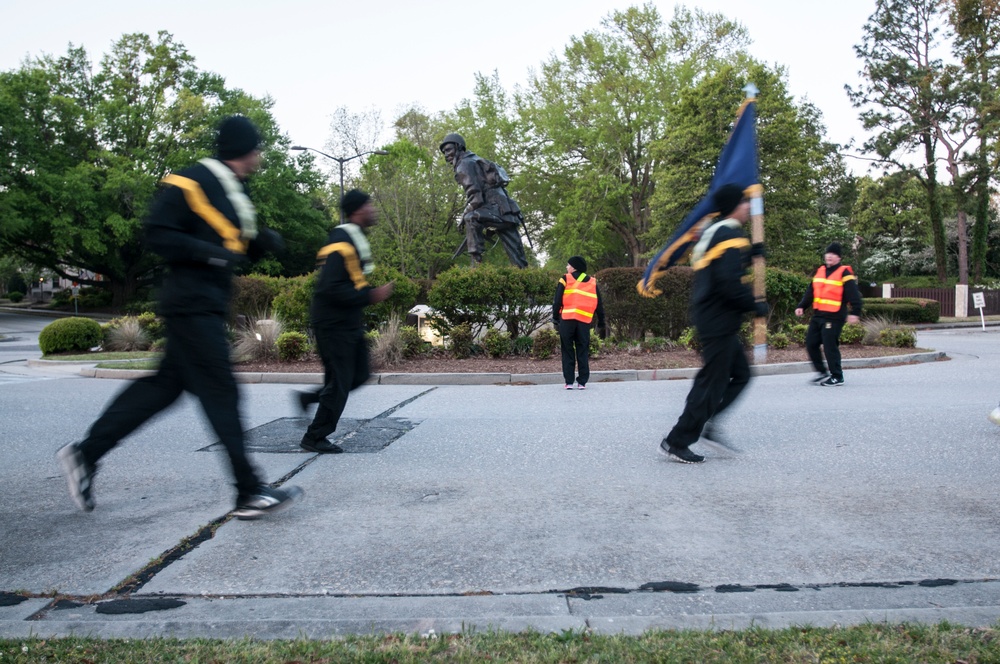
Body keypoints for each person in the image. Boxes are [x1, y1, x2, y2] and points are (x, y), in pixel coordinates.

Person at [57, 115, 303, 519]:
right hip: (190, 305)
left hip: (203, 304)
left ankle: (85, 454)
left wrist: (261, 243)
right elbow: (157, 232)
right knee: (221, 393)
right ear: (243, 149)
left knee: (161, 390)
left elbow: (230, 247)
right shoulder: (190, 181)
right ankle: (247, 491)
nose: (259, 155)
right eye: (256, 148)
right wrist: (211, 254)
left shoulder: (232, 192)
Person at [659, 184, 768, 464]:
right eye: (745, 203)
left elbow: (723, 268)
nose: (748, 207)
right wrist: (754, 306)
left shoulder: (717, 233)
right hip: (718, 320)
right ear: (735, 206)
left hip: (716, 320)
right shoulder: (729, 235)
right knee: (711, 383)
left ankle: (709, 424)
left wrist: (753, 253)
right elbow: (729, 283)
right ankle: (677, 440)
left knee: (740, 374)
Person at [298, 190, 394, 453]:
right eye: (368, 205)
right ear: (356, 210)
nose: (373, 209)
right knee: (339, 382)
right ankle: (314, 436)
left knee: (360, 375)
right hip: (332, 324)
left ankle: (309, 398)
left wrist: (364, 296)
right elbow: (330, 288)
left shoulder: (353, 238)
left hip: (348, 322)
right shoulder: (341, 241)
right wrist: (370, 295)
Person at [439, 133, 529, 268]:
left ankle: (476, 265)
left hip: (495, 210)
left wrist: (463, 216)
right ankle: (526, 276)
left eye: (448, 150)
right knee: (518, 259)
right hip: (507, 211)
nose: (446, 154)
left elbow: (476, 198)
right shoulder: (475, 159)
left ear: (458, 147)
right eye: (444, 152)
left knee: (471, 218)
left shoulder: (463, 164)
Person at [794, 242, 862, 387]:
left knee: (830, 345)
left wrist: (855, 312)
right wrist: (802, 306)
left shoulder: (844, 272)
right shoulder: (820, 271)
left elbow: (853, 294)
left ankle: (837, 376)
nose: (830, 256)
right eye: (828, 253)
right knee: (811, 343)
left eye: (834, 254)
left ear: (839, 258)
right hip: (818, 315)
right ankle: (822, 373)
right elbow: (811, 291)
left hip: (835, 316)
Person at [552, 255, 606, 389]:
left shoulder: (565, 279)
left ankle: (569, 382)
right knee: (582, 350)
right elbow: (599, 303)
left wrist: (555, 317)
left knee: (567, 350)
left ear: (574, 267)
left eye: (568, 265)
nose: (566, 267)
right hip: (584, 322)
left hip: (567, 321)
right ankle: (582, 382)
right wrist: (601, 321)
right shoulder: (592, 282)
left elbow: (557, 300)